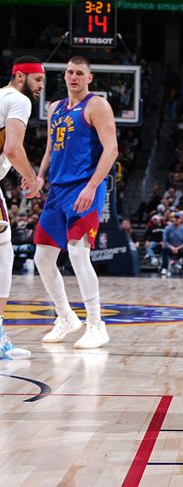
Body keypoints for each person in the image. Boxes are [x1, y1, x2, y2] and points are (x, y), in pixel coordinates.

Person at [34, 56, 119, 349]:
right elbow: (49, 150)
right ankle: (66, 317)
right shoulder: (54, 108)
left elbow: (112, 150)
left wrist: (93, 186)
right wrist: (39, 177)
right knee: (42, 258)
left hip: (85, 188)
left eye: (79, 73)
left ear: (89, 78)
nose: (73, 76)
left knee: (77, 253)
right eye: (70, 72)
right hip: (57, 191)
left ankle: (96, 324)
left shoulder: (97, 105)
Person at [0, 56, 46, 360]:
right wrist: (32, 178)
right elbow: (13, 148)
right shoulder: (17, 99)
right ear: (20, 76)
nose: (42, 86)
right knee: (3, 255)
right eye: (38, 80)